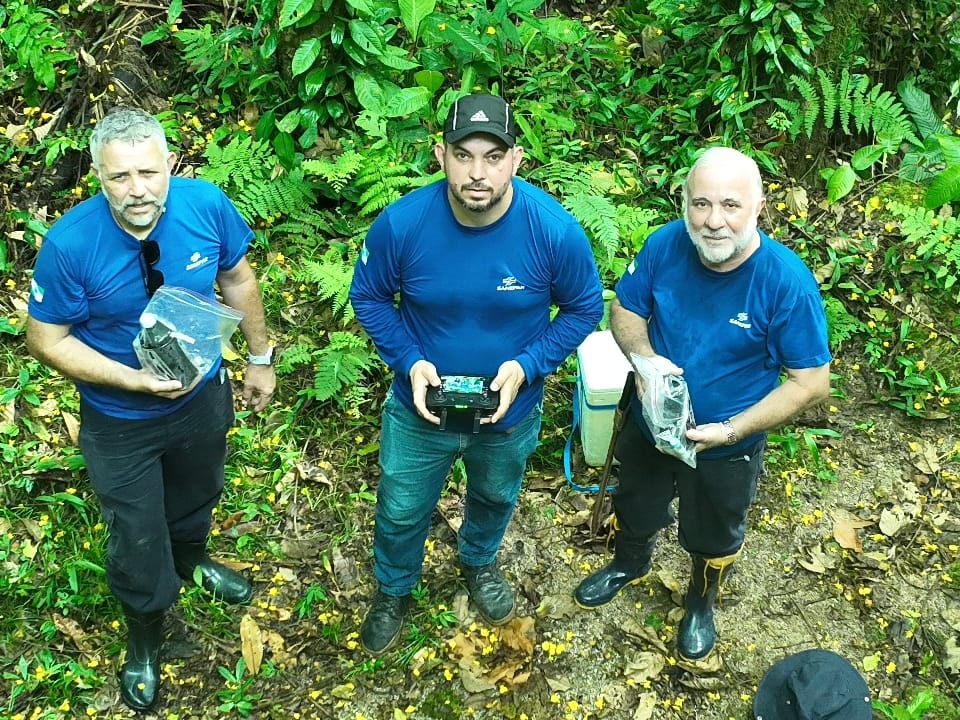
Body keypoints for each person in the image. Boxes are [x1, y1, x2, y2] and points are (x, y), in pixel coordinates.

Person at [26, 107, 276, 711]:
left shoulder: (206, 205)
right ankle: (145, 632)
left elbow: (237, 278)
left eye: (148, 172)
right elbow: (46, 339)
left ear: (171, 164)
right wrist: (131, 381)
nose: (137, 190)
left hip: (201, 395)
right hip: (121, 421)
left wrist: (261, 355)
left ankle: (192, 558)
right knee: (136, 535)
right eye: (119, 178)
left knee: (198, 491)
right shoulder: (71, 243)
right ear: (97, 176)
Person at [349, 93, 604, 655]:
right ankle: (393, 588)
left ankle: (479, 562)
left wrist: (528, 365)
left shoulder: (552, 231)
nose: (478, 173)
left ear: (516, 159)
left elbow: (585, 307)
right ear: (440, 155)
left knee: (493, 494)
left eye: (494, 156)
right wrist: (410, 361)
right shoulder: (403, 224)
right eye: (464, 155)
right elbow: (367, 296)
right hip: (420, 406)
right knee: (400, 503)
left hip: (510, 408)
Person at [572, 147, 832, 663]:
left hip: (724, 444)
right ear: (684, 203)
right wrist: (644, 361)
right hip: (651, 422)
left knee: (714, 529)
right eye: (701, 204)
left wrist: (732, 430)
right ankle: (629, 562)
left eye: (731, 205)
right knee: (635, 502)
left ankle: (701, 599)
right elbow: (626, 307)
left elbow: (811, 383)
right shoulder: (666, 245)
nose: (713, 222)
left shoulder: (785, 283)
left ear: (760, 206)